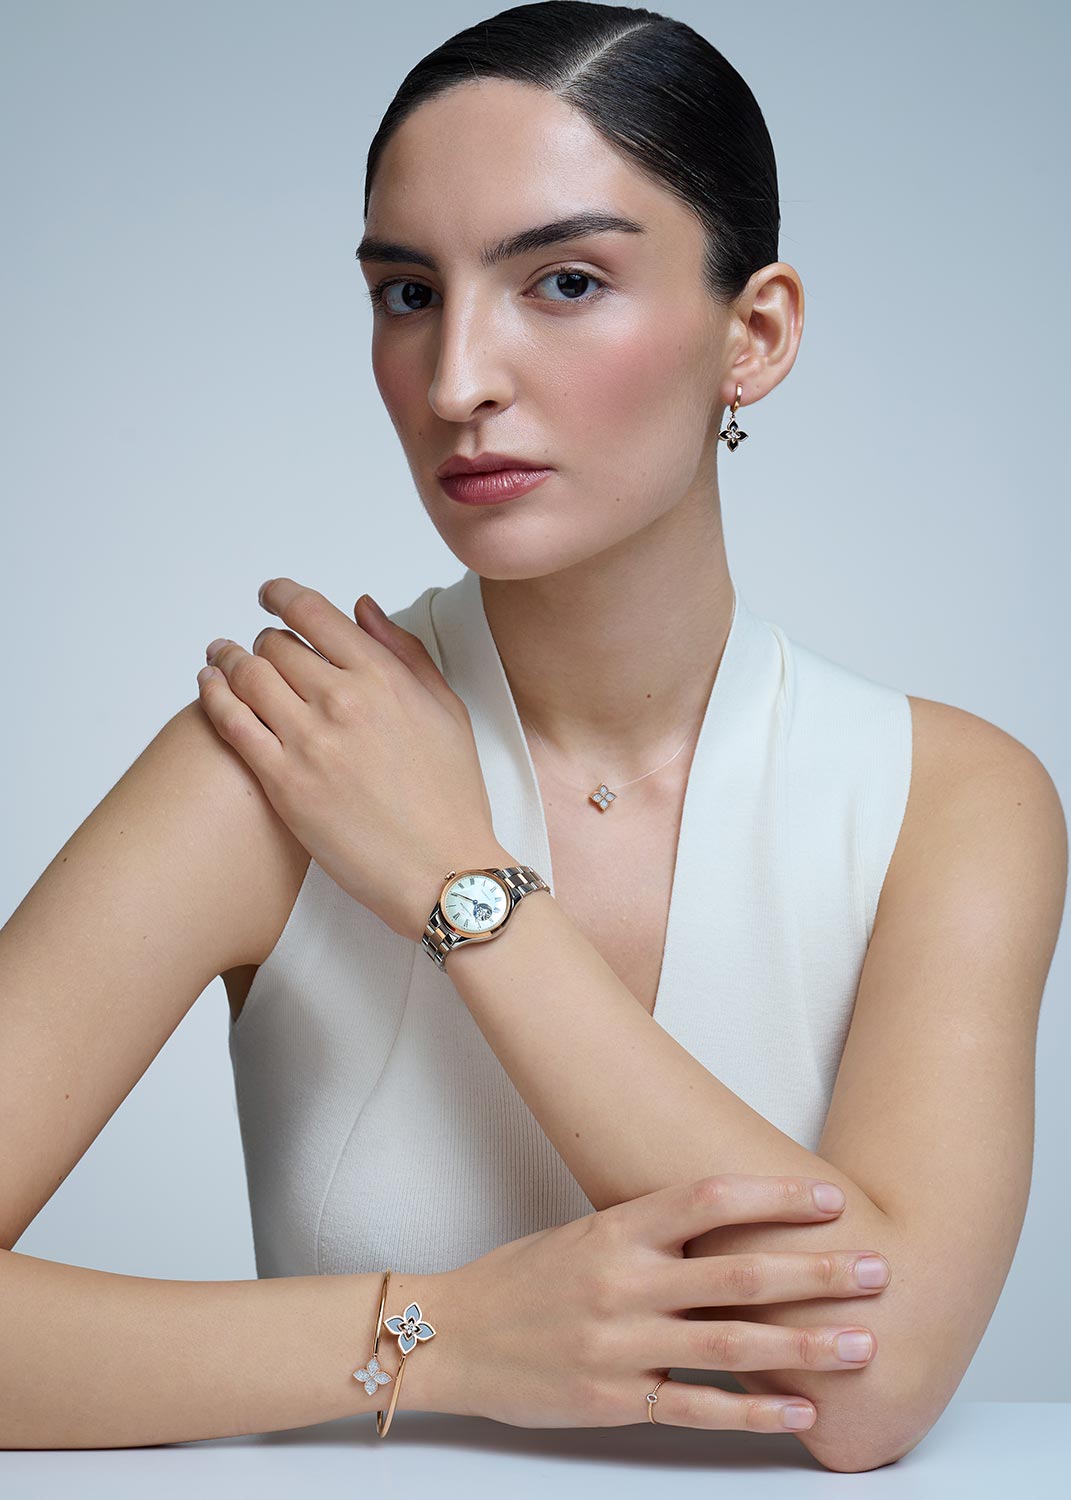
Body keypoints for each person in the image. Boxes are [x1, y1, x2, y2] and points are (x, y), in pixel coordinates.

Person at [0, 0, 1064, 1473]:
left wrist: (460, 879)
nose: (456, 384)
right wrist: (446, 1336)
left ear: (755, 335)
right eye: (408, 293)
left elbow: (870, 1385)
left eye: (564, 281)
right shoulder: (277, 762)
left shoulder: (948, 803)